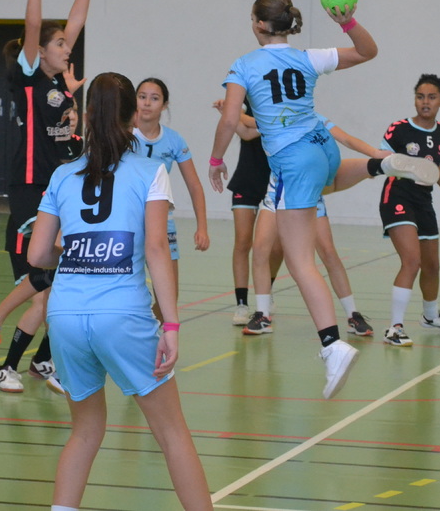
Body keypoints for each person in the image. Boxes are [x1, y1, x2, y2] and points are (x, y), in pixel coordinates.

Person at [209, 0, 438, 399]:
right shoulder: (307, 57)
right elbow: (368, 51)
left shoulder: (244, 65)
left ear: (259, 24)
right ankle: (379, 165)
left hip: (292, 162)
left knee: (300, 262)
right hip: (323, 147)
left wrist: (215, 159)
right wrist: (347, 22)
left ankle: (333, 346)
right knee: (324, 183)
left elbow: (230, 120)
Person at [27, 72, 212, 511]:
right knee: (172, 432)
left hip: (65, 317)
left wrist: (77, 250)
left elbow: (37, 254)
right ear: (132, 118)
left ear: (87, 114)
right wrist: (171, 325)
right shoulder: (150, 172)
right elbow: (156, 248)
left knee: (84, 432)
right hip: (122, 316)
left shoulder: (62, 174)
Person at [0, 0, 97, 394]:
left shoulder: (60, 82)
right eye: (59, 43)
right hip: (30, 186)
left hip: (58, 186)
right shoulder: (29, 78)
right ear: (39, 52)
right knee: (46, 279)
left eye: (67, 42)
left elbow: (77, 20)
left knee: (58, 287)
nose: (68, 47)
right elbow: (33, 25)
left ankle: (41, 361)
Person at [240, 114, 389, 338]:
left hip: (308, 195)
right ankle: (262, 315)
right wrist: (230, 110)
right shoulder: (277, 116)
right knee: (260, 248)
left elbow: (347, 139)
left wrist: (375, 153)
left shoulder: (314, 118)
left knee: (328, 252)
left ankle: (353, 315)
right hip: (276, 193)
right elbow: (246, 127)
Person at [379, 73, 440, 348]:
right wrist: (403, 165)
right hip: (397, 196)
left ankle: (431, 316)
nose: (425, 102)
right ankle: (394, 328)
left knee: (432, 265)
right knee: (412, 261)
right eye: (420, 97)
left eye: (431, 97)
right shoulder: (399, 129)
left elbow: (434, 168)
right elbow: (379, 158)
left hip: (423, 202)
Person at [133, 78, 210, 297]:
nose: (147, 103)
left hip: (161, 220)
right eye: (142, 97)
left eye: (154, 98)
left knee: (168, 294)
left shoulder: (174, 140)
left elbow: (194, 185)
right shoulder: (123, 136)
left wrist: (202, 227)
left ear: (164, 105)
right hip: (129, 220)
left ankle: (157, 321)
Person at [211, 97, 282, 326]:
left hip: (274, 183)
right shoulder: (250, 105)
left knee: (277, 247)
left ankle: (266, 289)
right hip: (245, 181)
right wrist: (229, 113)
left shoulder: (281, 111)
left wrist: (231, 112)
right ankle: (241, 304)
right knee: (242, 242)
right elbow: (244, 132)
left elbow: (252, 129)